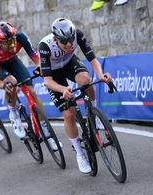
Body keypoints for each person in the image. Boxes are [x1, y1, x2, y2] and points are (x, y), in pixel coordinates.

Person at [38, 18, 113, 173]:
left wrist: (101, 75)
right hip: (53, 75)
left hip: (69, 64)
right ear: (55, 39)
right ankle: (80, 153)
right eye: (64, 41)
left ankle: (95, 113)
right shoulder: (45, 46)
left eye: (71, 40)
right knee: (69, 115)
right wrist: (62, 89)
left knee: (85, 80)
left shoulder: (77, 35)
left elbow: (93, 60)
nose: (69, 45)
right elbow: (47, 81)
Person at [0, 21, 62, 150]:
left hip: (12, 61)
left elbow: (37, 59)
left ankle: (47, 134)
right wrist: (4, 85)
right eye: (6, 43)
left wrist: (40, 68)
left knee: (32, 91)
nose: (11, 45)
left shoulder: (21, 37)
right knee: (11, 83)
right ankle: (13, 114)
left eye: (12, 40)